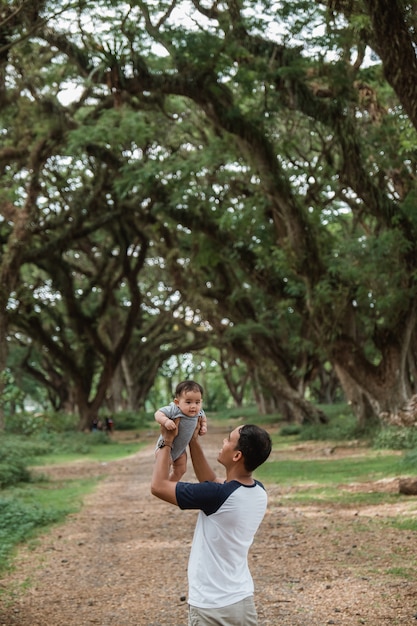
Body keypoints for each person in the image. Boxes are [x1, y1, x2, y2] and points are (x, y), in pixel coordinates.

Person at [151, 418, 272, 626]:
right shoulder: (258, 492)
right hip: (242, 603)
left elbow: (158, 486)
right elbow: (211, 482)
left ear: (237, 455)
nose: (223, 442)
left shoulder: (217, 495)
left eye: (228, 440)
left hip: (211, 606)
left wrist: (166, 441)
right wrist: (192, 440)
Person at [154, 380, 208, 481]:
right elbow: (158, 414)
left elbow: (203, 420)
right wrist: (165, 421)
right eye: (188, 402)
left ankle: (169, 485)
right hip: (165, 447)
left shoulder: (199, 412)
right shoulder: (174, 410)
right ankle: (162, 484)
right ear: (177, 402)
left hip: (180, 450)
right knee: (165, 468)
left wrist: (204, 427)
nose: (193, 406)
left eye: (197, 402)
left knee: (181, 469)